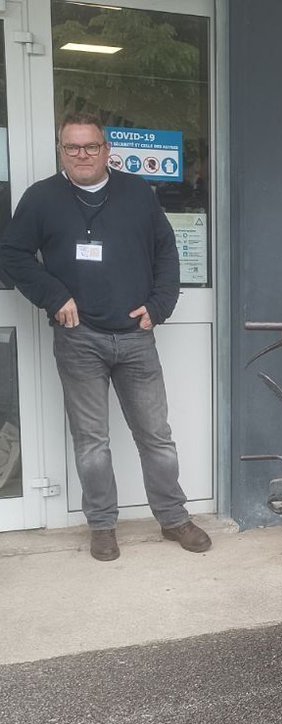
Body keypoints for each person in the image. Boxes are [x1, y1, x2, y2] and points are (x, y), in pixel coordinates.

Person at [0, 112, 212, 562]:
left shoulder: (137, 193)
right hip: (79, 338)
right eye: (71, 147)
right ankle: (102, 526)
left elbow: (166, 252)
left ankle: (173, 518)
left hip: (135, 336)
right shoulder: (41, 198)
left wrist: (159, 307)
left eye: (90, 147)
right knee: (91, 440)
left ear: (106, 150)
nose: (81, 155)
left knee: (156, 435)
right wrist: (53, 295)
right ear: (62, 151)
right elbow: (13, 254)